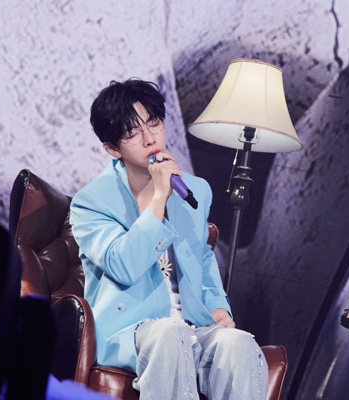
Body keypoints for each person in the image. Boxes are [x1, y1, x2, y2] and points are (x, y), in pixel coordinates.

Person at [69, 78, 268, 400]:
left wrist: (218, 305)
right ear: (112, 148)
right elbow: (123, 265)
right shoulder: (92, 202)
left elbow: (203, 256)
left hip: (192, 325)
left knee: (238, 343)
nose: (150, 138)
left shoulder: (196, 190)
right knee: (169, 333)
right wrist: (159, 197)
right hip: (130, 331)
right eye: (132, 133)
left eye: (154, 123)